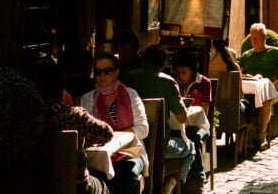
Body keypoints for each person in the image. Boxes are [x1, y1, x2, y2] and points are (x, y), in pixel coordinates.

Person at [122, 43, 196, 191]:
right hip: (161, 146)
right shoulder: (168, 82)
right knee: (191, 148)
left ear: (143, 60)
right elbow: (182, 118)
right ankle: (172, 183)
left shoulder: (126, 78)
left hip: (131, 143)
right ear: (163, 64)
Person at [34, 58, 112, 194]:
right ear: (62, 90)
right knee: (104, 187)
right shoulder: (72, 116)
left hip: (38, 185)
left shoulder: (27, 118)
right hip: (77, 186)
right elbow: (106, 133)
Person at [80, 51, 148, 194]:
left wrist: (117, 138)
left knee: (127, 170)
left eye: (107, 71)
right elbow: (85, 132)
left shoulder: (131, 94)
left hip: (130, 151)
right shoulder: (87, 99)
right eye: (98, 72)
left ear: (116, 72)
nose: (102, 75)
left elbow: (143, 128)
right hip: (99, 156)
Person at [238, 22, 278, 150]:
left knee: (266, 101)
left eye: (257, 37)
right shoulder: (246, 56)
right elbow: (238, 75)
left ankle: (261, 136)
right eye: (252, 37)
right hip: (249, 92)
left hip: (267, 91)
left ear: (264, 37)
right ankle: (250, 133)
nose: (254, 40)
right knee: (242, 101)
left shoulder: (274, 53)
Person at [171, 49, 213, 190]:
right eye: (178, 72)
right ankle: (175, 177)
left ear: (193, 71)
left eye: (184, 72)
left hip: (199, 126)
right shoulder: (174, 83)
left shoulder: (204, 83)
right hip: (178, 125)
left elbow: (204, 112)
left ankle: (199, 178)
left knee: (194, 137)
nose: (180, 76)